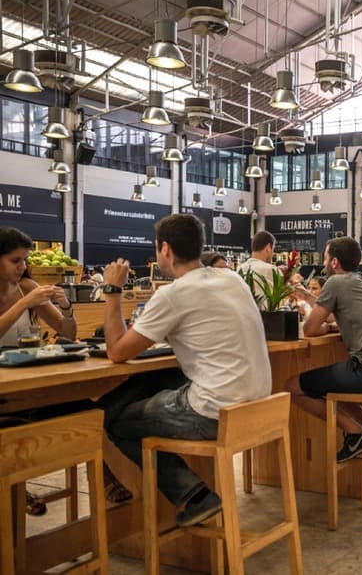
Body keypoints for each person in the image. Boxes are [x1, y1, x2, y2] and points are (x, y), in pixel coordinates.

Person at [97, 214, 271, 527]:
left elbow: (117, 351)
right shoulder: (231, 278)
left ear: (165, 249)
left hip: (216, 412)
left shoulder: (173, 294)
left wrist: (112, 290)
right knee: (153, 381)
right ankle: (100, 414)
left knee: (117, 421)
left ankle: (194, 495)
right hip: (258, 405)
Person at [290, 237, 362, 462]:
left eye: (325, 257)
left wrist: (326, 328)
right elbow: (343, 312)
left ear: (334, 262)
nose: (323, 262)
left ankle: (355, 432)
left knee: (293, 387)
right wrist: (307, 296)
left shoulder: (335, 283)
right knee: (334, 387)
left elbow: (310, 329)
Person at [1, 227, 80, 515]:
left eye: (25, 260)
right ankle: (16, 486)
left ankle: (107, 473)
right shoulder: (26, 295)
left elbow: (68, 333)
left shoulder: (28, 287)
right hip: (5, 389)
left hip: (27, 381)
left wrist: (67, 307)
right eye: (15, 260)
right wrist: (23, 304)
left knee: (85, 404)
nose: (23, 267)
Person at [238, 231, 278, 307]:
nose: (272, 253)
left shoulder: (239, 269)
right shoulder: (271, 270)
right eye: (273, 249)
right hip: (265, 317)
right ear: (268, 247)